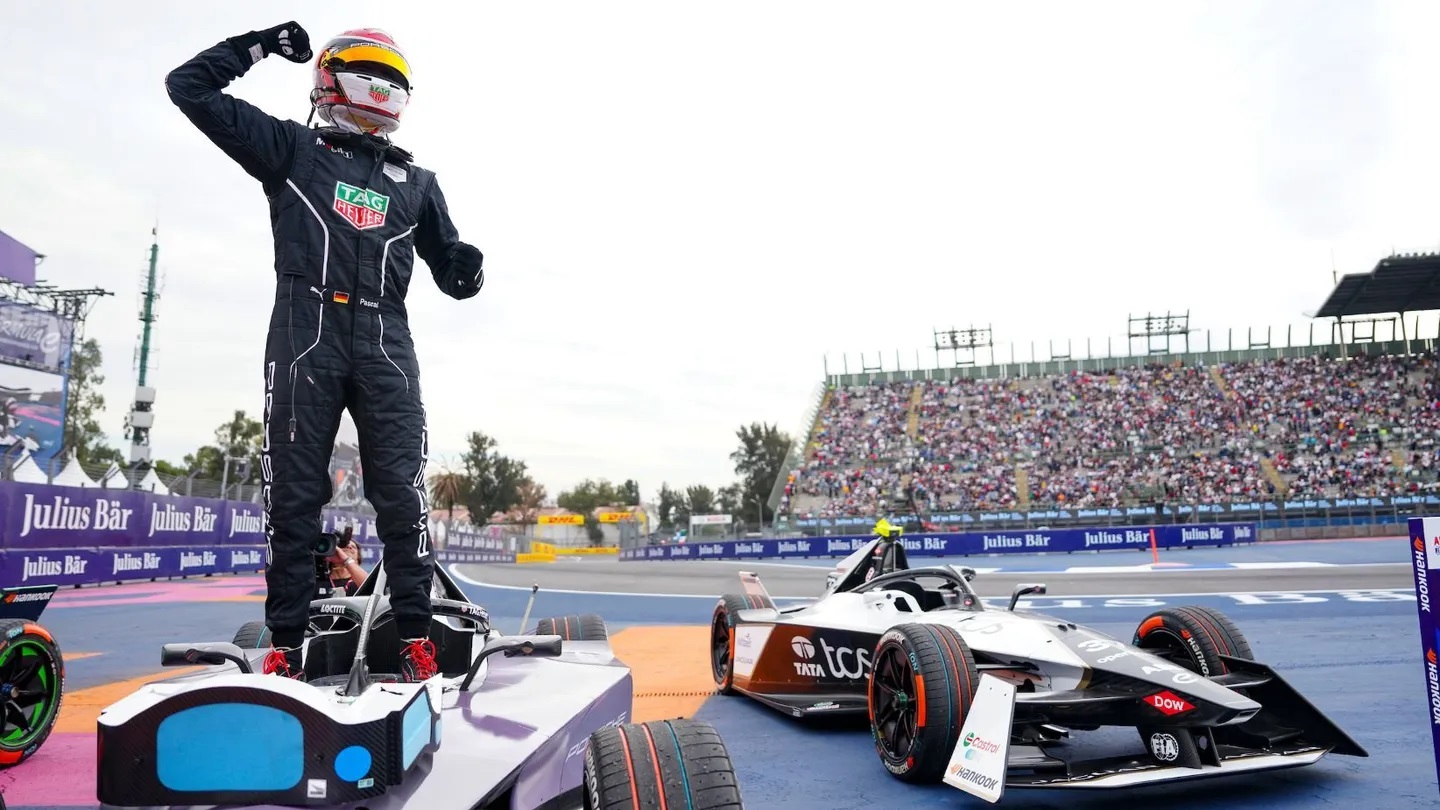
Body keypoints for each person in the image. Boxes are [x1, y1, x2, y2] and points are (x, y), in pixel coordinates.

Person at [165, 22, 485, 683]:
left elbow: (450, 273)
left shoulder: (417, 182)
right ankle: (286, 645)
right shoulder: (292, 148)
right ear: (331, 76)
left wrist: (466, 269)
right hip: (303, 330)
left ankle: (416, 642)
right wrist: (257, 45)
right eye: (374, 69)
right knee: (293, 496)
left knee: (401, 495)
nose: (385, 84)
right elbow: (187, 87)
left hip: (385, 342)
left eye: (396, 74)